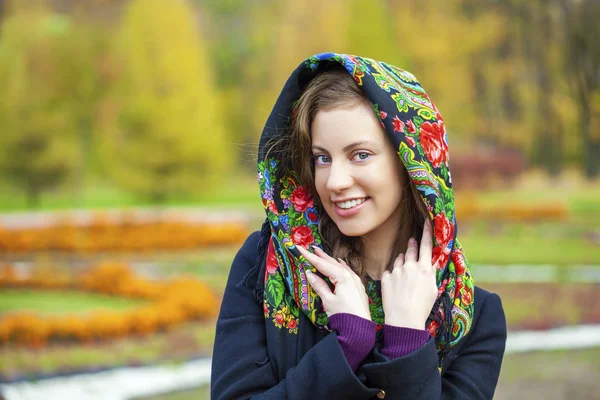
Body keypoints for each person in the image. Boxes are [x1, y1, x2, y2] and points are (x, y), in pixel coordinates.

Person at [211, 53, 507, 399]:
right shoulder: (266, 267)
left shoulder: (470, 314)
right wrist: (346, 346)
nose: (334, 181)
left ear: (410, 162)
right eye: (322, 157)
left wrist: (407, 340)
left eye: (360, 155)